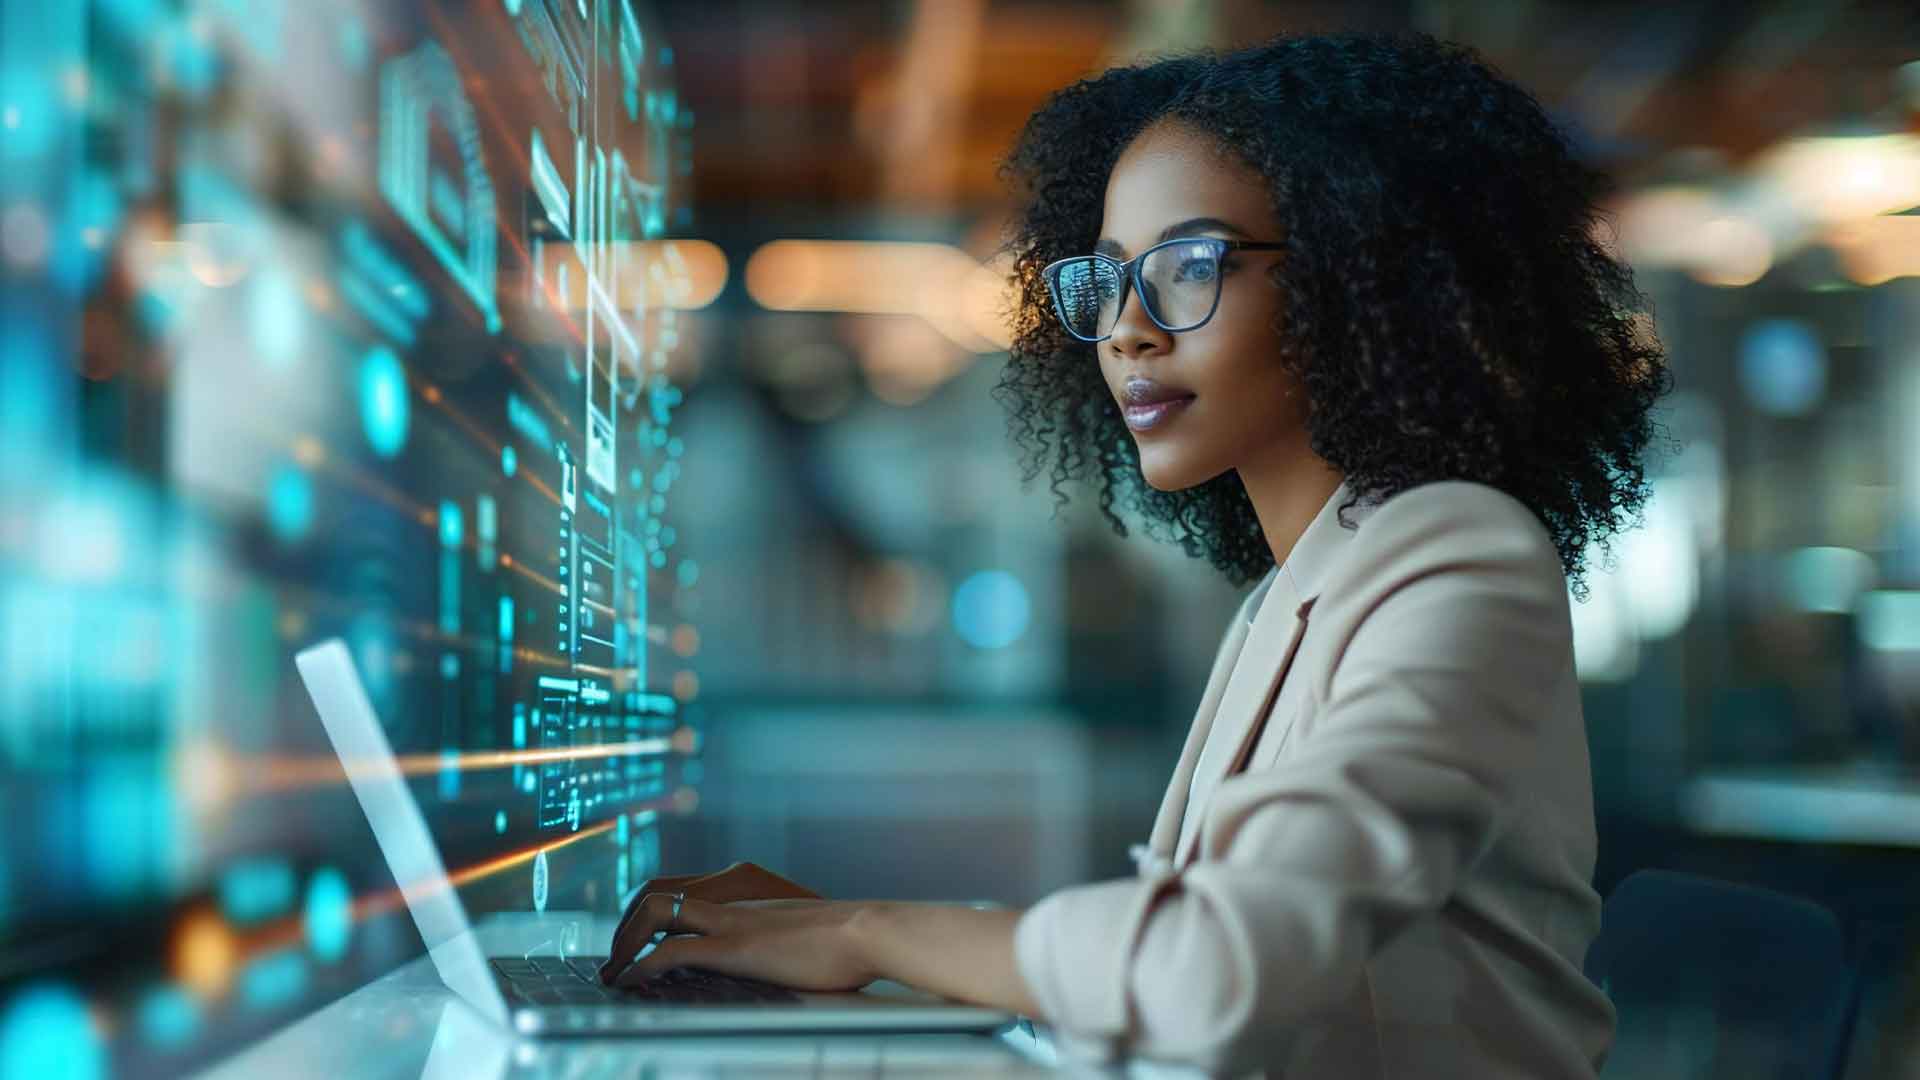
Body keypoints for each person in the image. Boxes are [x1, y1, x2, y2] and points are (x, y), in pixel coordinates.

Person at [599, 29, 1672, 1077]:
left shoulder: (1460, 550)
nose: (1127, 330)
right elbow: (1176, 980)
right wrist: (840, 943)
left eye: (1188, 265)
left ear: (1364, 274)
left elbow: (1211, 971)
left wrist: (873, 935)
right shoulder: (1294, 590)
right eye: (1106, 281)